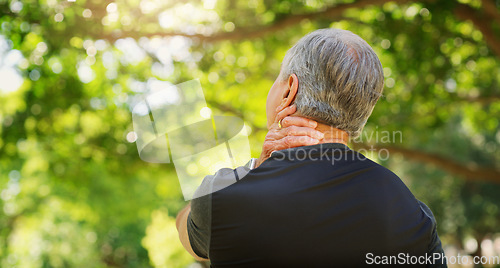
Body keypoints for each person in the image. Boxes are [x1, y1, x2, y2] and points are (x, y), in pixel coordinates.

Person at [176, 28, 446, 267]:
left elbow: (189, 233)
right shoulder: (411, 212)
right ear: (363, 111)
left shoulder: (223, 197)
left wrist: (254, 170)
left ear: (289, 90)